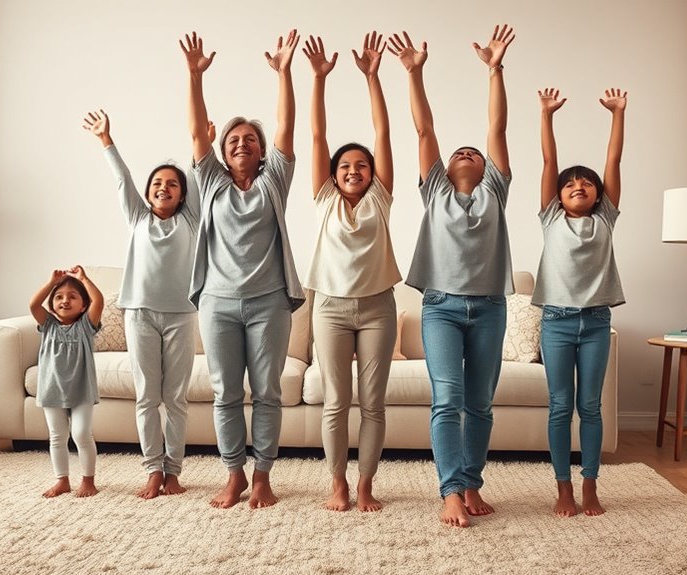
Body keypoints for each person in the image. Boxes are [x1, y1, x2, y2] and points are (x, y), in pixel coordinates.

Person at [387, 25, 515, 528]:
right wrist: (415, 74)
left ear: (488, 169)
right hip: (440, 306)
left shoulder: (496, 192)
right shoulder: (435, 189)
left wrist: (494, 69)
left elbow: (497, 129)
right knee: (448, 400)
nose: (466, 153)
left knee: (480, 404)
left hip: (489, 307)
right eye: (458, 152)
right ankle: (450, 491)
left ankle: (471, 482)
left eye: (474, 154)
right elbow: (424, 130)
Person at [179, 30, 305, 509]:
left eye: (250, 139)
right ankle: (233, 474)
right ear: (222, 149)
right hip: (217, 302)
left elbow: (286, 127)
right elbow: (196, 133)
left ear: (261, 150)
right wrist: (194, 77)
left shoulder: (275, 179)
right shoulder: (210, 181)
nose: (241, 144)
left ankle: (264, 475)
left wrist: (284, 73)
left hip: (270, 301)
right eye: (233, 139)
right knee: (225, 393)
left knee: (267, 392)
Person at [81, 110, 214, 499]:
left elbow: (199, 175)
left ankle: (173, 471)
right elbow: (122, 179)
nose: (164, 188)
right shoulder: (137, 217)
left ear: (183, 194)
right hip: (139, 314)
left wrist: (201, 145)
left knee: (174, 398)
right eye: (157, 183)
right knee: (147, 396)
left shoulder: (191, 219)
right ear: (148, 190)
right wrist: (107, 140)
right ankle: (153, 470)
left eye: (172, 184)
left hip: (180, 316)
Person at [302, 33, 401, 512]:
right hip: (331, 307)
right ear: (334, 173)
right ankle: (337, 483)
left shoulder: (381, 198)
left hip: (379, 306)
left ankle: (366, 484)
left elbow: (383, 134)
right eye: (346, 165)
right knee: (336, 401)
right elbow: (317, 137)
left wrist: (372, 77)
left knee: (374, 403)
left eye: (362, 165)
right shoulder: (323, 199)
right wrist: (319, 81)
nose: (354, 170)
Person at [534, 87, 627, 517]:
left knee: (589, 406)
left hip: (595, 322)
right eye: (570, 184)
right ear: (558, 195)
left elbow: (613, 163)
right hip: (555, 321)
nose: (578, 186)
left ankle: (590, 485)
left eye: (586, 183)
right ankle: (563, 488)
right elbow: (549, 162)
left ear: (597, 195)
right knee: (559, 407)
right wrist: (546, 116)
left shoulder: (605, 216)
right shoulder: (551, 216)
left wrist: (617, 115)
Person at [29, 265, 104, 498]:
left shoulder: (85, 326)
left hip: (82, 390)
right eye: (59, 297)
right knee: (57, 436)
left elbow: (98, 301)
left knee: (82, 434)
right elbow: (33, 305)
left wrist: (84, 278)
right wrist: (51, 283)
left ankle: (88, 480)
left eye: (72, 297)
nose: (65, 301)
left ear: (83, 305)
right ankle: (62, 480)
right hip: (52, 390)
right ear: (52, 304)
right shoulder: (48, 324)